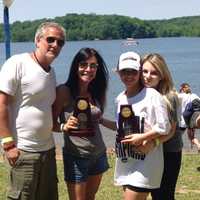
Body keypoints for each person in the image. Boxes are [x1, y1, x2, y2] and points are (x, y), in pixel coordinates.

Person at [0, 22, 66, 200]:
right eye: (50, 39)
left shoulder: (51, 73)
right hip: (23, 151)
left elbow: (46, 110)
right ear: (37, 40)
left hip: (48, 151)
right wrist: (8, 144)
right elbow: (2, 104)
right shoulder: (17, 63)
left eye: (60, 42)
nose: (55, 45)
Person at [52, 47, 109, 200]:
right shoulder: (64, 91)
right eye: (83, 64)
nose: (88, 69)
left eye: (93, 65)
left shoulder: (96, 90)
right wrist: (64, 126)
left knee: (91, 197)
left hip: (99, 154)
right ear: (76, 66)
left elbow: (98, 119)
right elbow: (50, 124)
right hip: (76, 156)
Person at [113, 51, 170, 200]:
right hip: (126, 161)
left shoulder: (152, 95)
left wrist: (143, 137)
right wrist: (99, 120)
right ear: (118, 72)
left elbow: (165, 126)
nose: (129, 75)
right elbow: (120, 128)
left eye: (133, 71)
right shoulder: (119, 98)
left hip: (147, 161)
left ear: (138, 72)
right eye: (124, 71)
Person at [141, 53, 182, 200]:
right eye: (144, 71)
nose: (147, 76)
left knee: (163, 195)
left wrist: (153, 143)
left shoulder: (169, 97)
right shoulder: (142, 94)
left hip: (169, 152)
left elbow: (170, 131)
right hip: (150, 151)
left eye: (154, 73)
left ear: (162, 75)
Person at [179, 83, 200, 151]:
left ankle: (179, 148)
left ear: (182, 89)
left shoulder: (180, 96)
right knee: (191, 137)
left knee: (178, 137)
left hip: (182, 122)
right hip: (192, 119)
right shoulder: (194, 95)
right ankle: (198, 145)